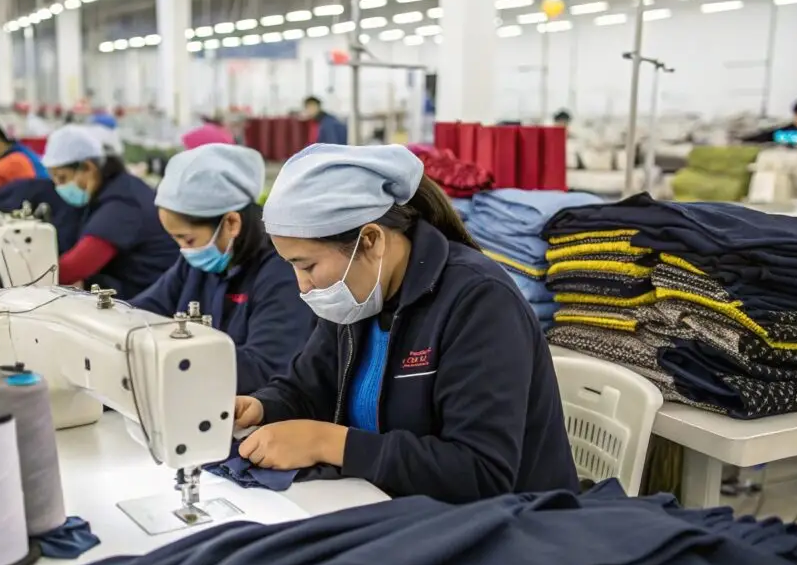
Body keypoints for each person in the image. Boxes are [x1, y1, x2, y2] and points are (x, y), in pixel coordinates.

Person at [234, 144, 578, 503]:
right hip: (396, 507)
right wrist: (259, 407)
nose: (302, 286)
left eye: (307, 266)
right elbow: (307, 389)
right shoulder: (358, 296)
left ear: (370, 241)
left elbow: (480, 473)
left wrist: (328, 442)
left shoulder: (480, 303)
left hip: (511, 524)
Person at [131, 144, 314, 393]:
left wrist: (169, 362)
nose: (184, 251)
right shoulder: (195, 264)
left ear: (230, 223)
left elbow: (263, 369)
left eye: (187, 239)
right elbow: (137, 314)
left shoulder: (281, 274)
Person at [41, 125, 179, 298]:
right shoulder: (112, 190)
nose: (59, 187)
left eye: (62, 178)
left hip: (149, 299)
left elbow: (72, 269)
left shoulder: (122, 205)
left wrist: (27, 280)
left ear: (88, 167)